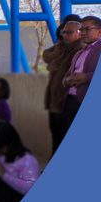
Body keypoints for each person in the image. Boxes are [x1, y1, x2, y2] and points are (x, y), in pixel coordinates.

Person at [41, 17, 82, 153]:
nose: (65, 35)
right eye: (64, 32)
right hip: (54, 101)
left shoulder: (80, 50)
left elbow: (59, 67)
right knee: (56, 136)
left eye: (69, 32)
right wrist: (59, 51)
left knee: (65, 138)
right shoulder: (62, 47)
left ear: (79, 32)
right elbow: (46, 55)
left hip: (68, 102)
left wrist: (56, 61)